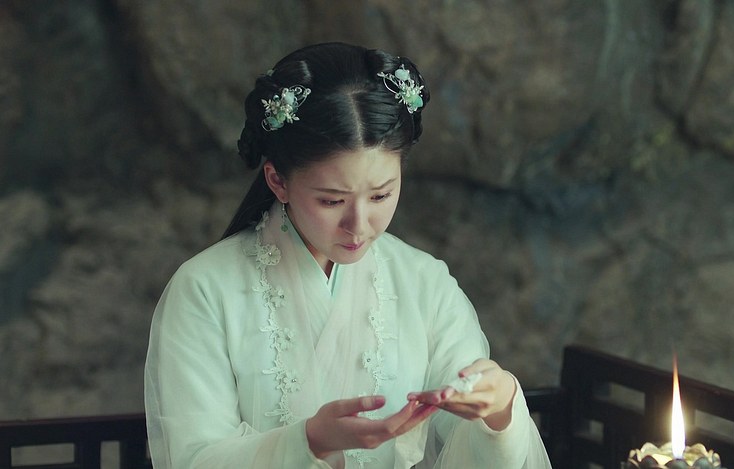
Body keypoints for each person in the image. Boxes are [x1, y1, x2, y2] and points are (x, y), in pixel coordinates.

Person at [144, 42, 552, 469]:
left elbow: (467, 435)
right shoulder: (204, 289)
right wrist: (308, 443)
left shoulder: (424, 283)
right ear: (277, 181)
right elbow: (193, 458)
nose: (358, 225)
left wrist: (499, 409)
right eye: (332, 201)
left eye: (381, 195)